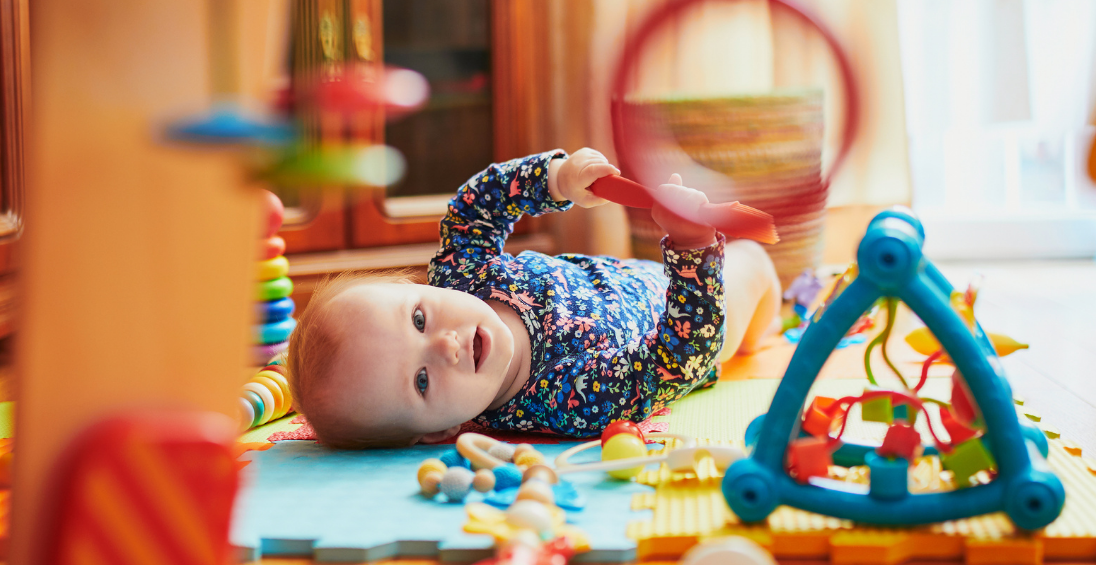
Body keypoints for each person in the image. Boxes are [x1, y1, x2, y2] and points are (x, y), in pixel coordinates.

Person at [282, 149, 783, 447]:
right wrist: (693, 252)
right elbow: (679, 360)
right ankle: (766, 331)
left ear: (420, 289)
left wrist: (558, 178)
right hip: (692, 317)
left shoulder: (461, 273)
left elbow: (477, 204)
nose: (446, 347)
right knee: (751, 264)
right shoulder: (568, 402)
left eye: (418, 320)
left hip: (633, 272)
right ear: (440, 432)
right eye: (421, 380)